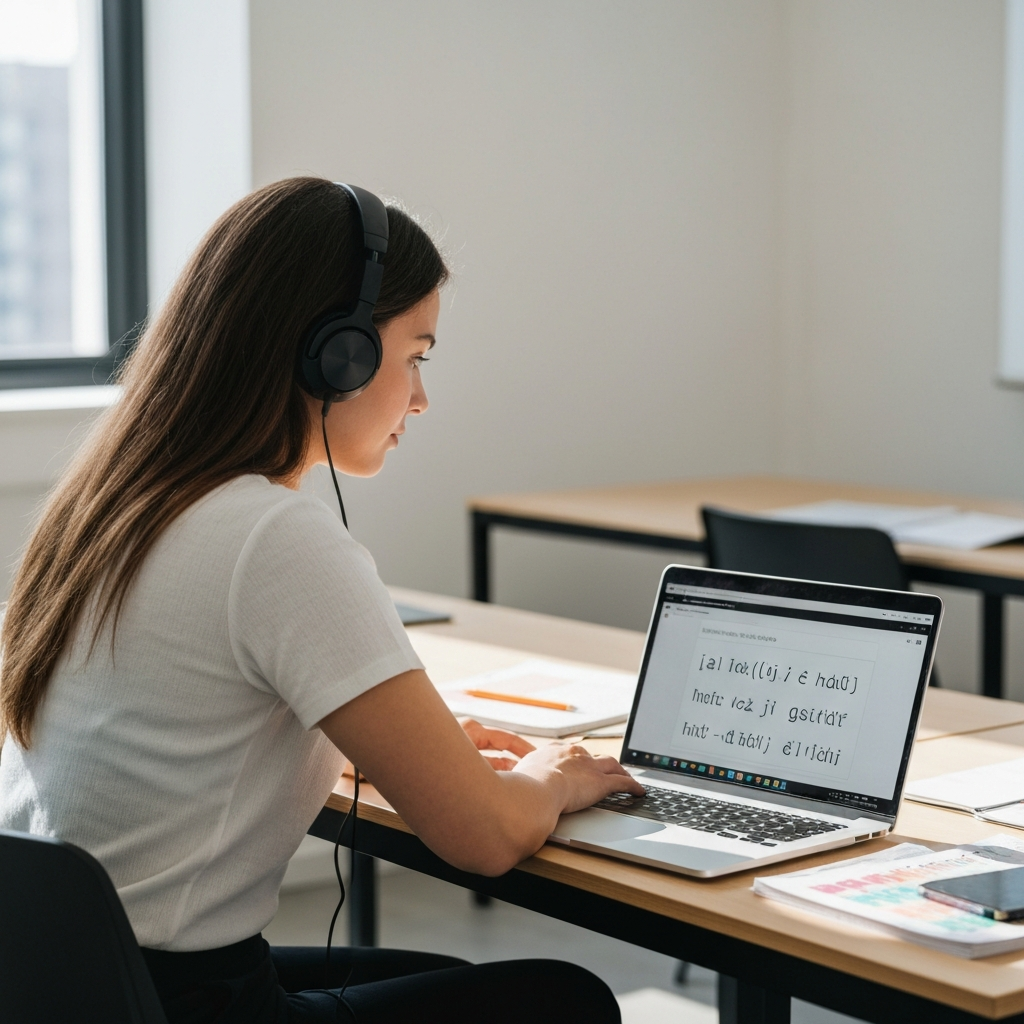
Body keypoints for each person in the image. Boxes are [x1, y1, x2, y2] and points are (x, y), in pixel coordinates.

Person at [0, 177, 644, 1023]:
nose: (420, 397)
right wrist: (551, 774)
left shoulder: (115, 502)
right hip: (181, 1001)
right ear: (336, 354)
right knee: (562, 999)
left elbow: (168, 729)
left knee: (425, 969)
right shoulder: (275, 538)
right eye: (414, 355)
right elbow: (484, 837)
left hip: (59, 981)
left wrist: (399, 742)